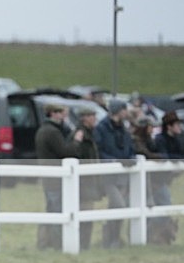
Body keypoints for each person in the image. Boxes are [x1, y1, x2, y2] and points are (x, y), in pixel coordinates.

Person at [34, 103, 83, 250]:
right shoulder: (52, 132)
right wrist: (76, 141)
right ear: (53, 113)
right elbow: (65, 152)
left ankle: (44, 242)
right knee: (56, 210)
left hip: (49, 177)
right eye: (62, 112)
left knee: (51, 209)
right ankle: (57, 244)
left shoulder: (44, 130)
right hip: (55, 178)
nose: (64, 116)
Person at [94, 98, 134, 248]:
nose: (127, 112)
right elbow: (100, 151)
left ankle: (113, 239)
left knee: (116, 208)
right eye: (124, 109)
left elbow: (129, 147)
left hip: (122, 176)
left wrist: (131, 158)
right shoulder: (102, 128)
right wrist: (115, 161)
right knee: (119, 205)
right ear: (118, 111)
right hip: (109, 177)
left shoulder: (123, 129)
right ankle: (112, 238)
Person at [72, 107, 101, 250]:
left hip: (89, 182)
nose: (94, 119)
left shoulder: (89, 134)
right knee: (85, 214)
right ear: (84, 118)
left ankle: (84, 244)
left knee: (87, 214)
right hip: (84, 183)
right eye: (92, 116)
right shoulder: (80, 135)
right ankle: (82, 245)